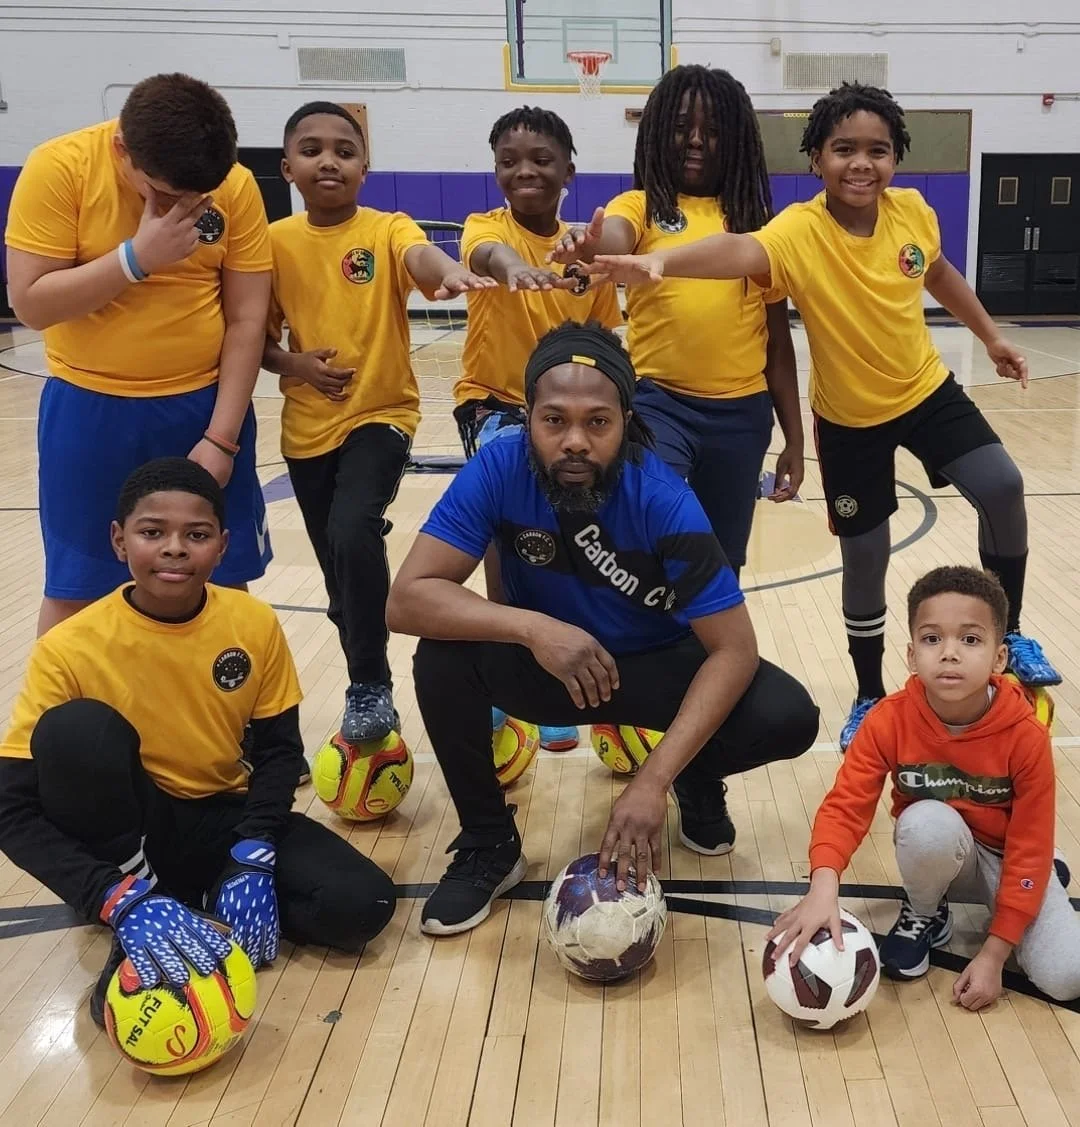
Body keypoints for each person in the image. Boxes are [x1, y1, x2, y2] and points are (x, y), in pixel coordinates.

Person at [580, 81, 1060, 749]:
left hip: (925, 392)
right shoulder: (799, 230)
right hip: (850, 420)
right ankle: (869, 693)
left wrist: (991, 336)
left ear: (896, 159)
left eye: (878, 150)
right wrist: (657, 261)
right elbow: (739, 254)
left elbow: (939, 272)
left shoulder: (914, 212)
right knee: (866, 557)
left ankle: (1010, 634)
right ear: (815, 159)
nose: (861, 163)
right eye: (844, 149)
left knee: (1004, 486)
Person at [386, 320, 819, 936]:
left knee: (787, 715)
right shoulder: (496, 467)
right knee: (442, 658)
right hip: (555, 666)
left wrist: (653, 780)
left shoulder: (664, 499)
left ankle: (695, 773)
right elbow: (406, 600)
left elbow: (734, 650)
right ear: (527, 417)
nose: (575, 441)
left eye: (598, 422)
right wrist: (534, 629)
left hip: (656, 665)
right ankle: (488, 843)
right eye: (554, 420)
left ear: (625, 420)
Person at [0, 458, 397, 1025]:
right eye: (152, 532)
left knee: (363, 906)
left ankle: (200, 903)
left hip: (221, 817)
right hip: (127, 836)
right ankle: (139, 905)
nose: (174, 548)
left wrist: (255, 848)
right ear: (120, 541)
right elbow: (11, 810)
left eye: (197, 534)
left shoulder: (252, 623)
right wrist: (108, 893)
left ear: (222, 545)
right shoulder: (69, 648)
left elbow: (279, 750)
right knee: (77, 732)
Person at [4, 73, 273, 637]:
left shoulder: (238, 186)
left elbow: (247, 318)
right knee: (77, 587)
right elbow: (30, 303)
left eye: (199, 196)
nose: (187, 207)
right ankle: (56, 726)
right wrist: (135, 259)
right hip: (89, 408)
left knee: (219, 582)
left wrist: (222, 437)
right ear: (122, 148)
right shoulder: (59, 168)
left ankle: (232, 722)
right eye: (168, 193)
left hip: (201, 410)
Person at [262, 102, 495, 743]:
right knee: (342, 581)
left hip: (381, 414)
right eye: (311, 149)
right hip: (306, 431)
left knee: (352, 525)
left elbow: (423, 259)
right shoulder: (271, 244)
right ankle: (365, 668)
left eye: (344, 149)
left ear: (366, 167)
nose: (328, 160)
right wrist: (295, 364)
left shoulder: (386, 227)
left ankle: (368, 685)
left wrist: (449, 274)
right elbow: (254, 340)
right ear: (287, 168)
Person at [768, 566, 1080, 1008]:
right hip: (940, 852)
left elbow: (1027, 842)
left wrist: (994, 954)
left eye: (970, 639)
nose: (949, 653)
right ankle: (926, 912)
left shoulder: (1025, 734)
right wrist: (822, 887)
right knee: (925, 823)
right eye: (933, 639)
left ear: (999, 659)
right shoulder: (888, 720)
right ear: (912, 656)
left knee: (1067, 975)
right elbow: (846, 806)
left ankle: (1044, 874)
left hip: (1009, 855)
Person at [547, 66, 802, 579]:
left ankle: (709, 650)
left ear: (736, 141)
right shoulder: (641, 206)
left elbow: (777, 341)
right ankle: (643, 642)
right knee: (646, 531)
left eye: (712, 131)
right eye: (682, 126)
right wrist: (590, 246)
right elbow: (613, 236)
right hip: (659, 405)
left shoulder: (756, 224)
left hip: (743, 415)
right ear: (657, 131)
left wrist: (794, 437)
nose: (696, 141)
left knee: (721, 560)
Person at [455, 105, 624, 752]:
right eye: (509, 161)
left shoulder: (587, 254)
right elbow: (488, 253)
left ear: (569, 173)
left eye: (541, 160)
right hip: (494, 403)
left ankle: (562, 666)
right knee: (509, 529)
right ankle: (509, 671)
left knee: (574, 535)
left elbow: (605, 344)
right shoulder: (485, 227)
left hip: (567, 411)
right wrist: (511, 270)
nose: (524, 170)